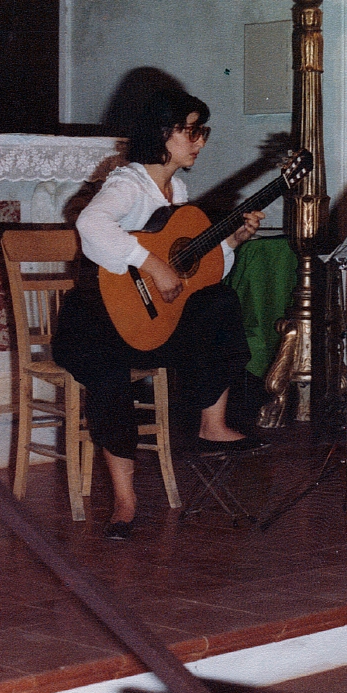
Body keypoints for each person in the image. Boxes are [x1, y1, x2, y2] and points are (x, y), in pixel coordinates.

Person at [53, 88, 264, 540]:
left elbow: (195, 275)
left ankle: (213, 423)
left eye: (201, 131)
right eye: (191, 131)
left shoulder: (178, 191)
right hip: (93, 322)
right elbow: (91, 226)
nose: (200, 141)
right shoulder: (127, 183)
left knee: (219, 303)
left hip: (149, 323)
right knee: (107, 370)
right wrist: (151, 264)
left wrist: (230, 243)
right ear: (163, 134)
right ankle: (125, 501)